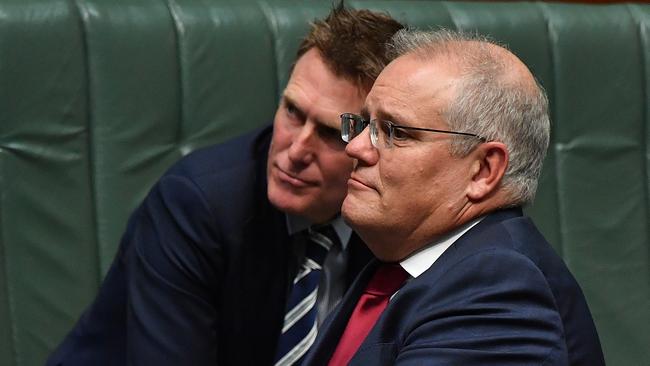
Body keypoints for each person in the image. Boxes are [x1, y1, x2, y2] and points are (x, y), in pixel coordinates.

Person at [46, 5, 403, 366]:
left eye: (330, 132)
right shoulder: (195, 203)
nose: (295, 150)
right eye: (292, 111)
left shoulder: (396, 211)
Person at [303, 29, 605, 365]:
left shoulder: (499, 288)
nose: (356, 147)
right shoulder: (400, 262)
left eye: (395, 132)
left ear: (483, 171)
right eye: (363, 124)